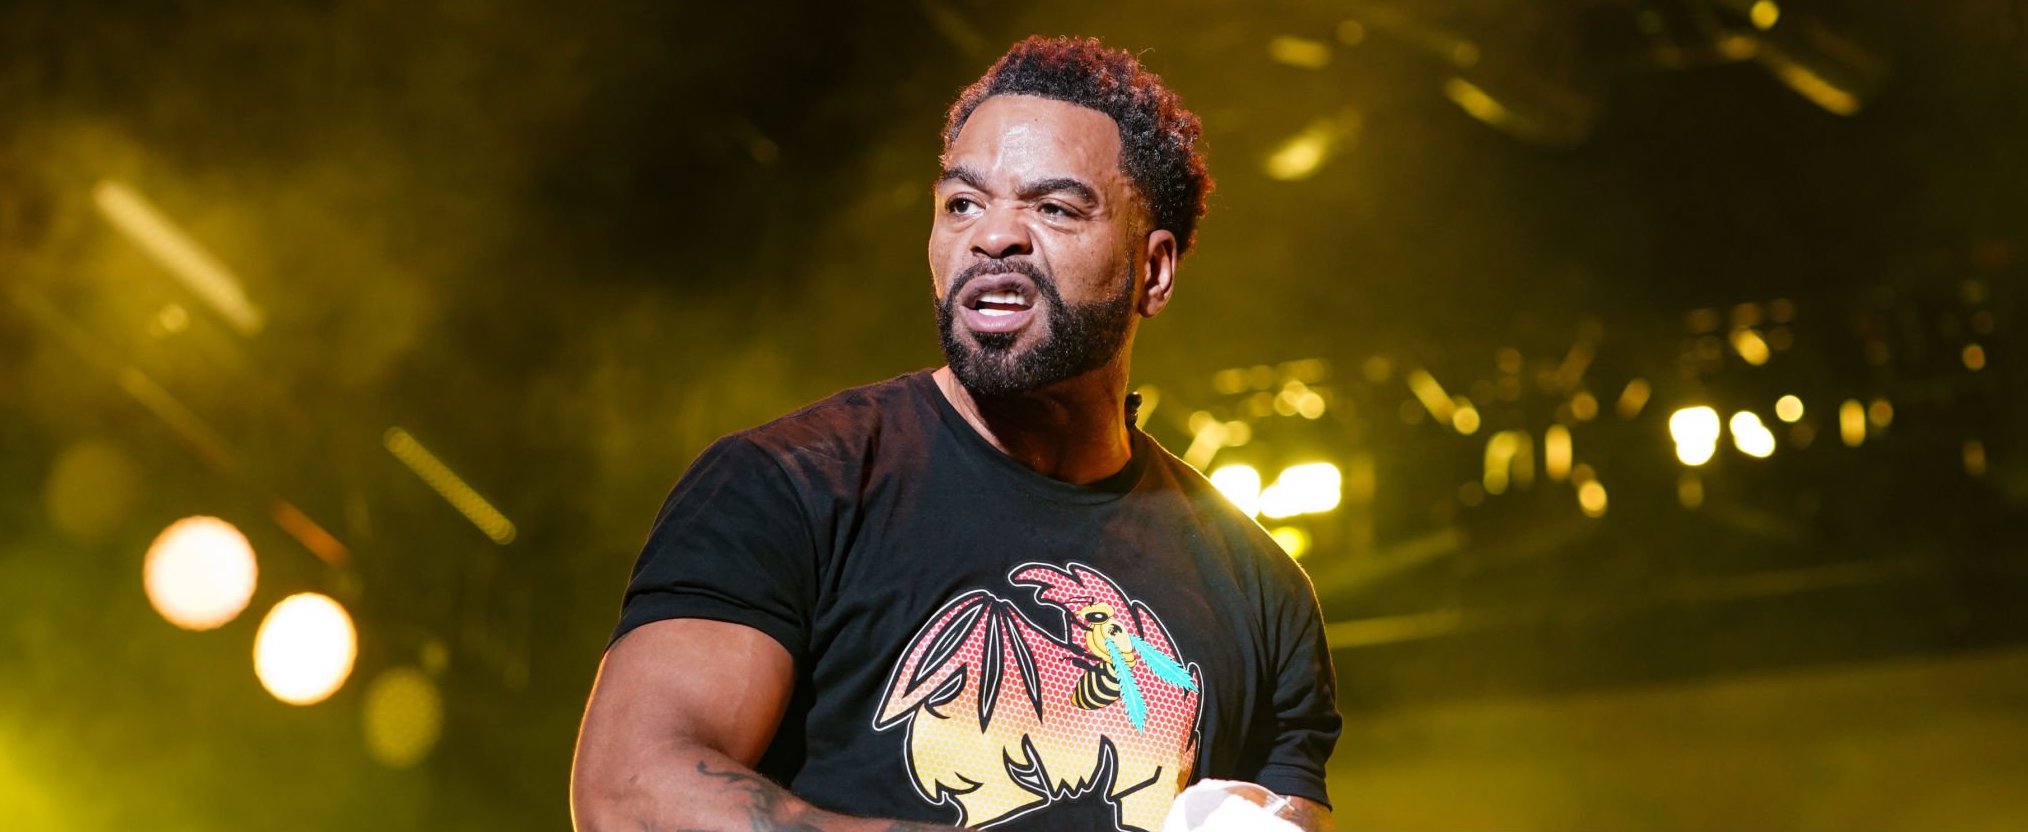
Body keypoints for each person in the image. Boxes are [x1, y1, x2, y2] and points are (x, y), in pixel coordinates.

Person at [571, 35, 1341, 832]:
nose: (993, 236)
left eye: (1054, 208)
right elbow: (633, 795)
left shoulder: (1262, 594)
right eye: (963, 204)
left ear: (1154, 272)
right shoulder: (787, 484)